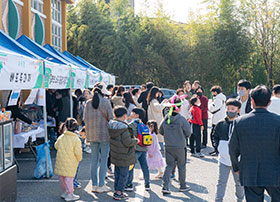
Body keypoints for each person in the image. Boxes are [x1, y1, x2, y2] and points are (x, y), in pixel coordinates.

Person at [229, 85, 280, 202]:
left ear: (251, 101)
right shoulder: (278, 121)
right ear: (269, 102)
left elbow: (232, 148)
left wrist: (236, 166)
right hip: (275, 171)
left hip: (250, 171)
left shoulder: (239, 122)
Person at [83, 83, 114, 193]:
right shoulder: (106, 102)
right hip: (104, 134)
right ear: (103, 92)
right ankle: (101, 185)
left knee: (94, 160)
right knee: (104, 160)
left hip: (91, 134)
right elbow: (111, 118)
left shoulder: (87, 103)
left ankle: (94, 185)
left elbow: (84, 118)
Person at [213, 99, 244, 202]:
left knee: (239, 183)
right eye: (228, 108)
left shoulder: (241, 124)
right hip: (223, 159)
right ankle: (218, 199)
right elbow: (214, 136)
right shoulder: (220, 124)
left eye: (233, 109)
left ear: (238, 110)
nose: (230, 111)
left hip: (238, 160)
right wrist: (218, 148)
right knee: (221, 182)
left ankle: (240, 199)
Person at [160, 98, 192, 194]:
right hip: (180, 146)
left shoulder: (166, 119)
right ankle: (182, 186)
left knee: (169, 166)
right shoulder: (181, 119)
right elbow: (188, 133)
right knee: (181, 166)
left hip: (168, 146)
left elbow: (161, 131)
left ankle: (165, 186)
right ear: (179, 107)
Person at [108, 107, 138, 200]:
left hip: (116, 154)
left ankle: (117, 190)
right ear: (124, 115)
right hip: (124, 155)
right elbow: (128, 142)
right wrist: (135, 140)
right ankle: (119, 192)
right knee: (124, 175)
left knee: (117, 173)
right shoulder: (124, 128)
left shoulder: (111, 125)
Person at [54, 118, 82, 201]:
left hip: (60, 160)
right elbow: (78, 152)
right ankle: (70, 194)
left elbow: (56, 146)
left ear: (65, 126)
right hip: (71, 162)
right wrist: (79, 159)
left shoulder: (62, 137)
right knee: (69, 178)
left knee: (62, 177)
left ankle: (65, 192)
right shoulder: (76, 139)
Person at [125, 108, 151, 192]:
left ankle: (129, 184)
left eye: (133, 112)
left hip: (136, 148)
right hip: (144, 148)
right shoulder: (143, 124)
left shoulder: (132, 124)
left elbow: (127, 134)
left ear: (137, 115)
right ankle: (147, 184)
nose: (131, 113)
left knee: (131, 166)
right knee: (144, 166)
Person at [147, 86, 167, 151]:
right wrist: (164, 103)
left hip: (153, 118)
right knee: (159, 134)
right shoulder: (154, 100)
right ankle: (162, 148)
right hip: (157, 119)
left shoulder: (151, 100)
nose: (158, 94)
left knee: (155, 134)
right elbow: (158, 108)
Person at [208, 86, 226, 156]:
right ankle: (217, 150)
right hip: (220, 118)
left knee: (214, 135)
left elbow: (212, 108)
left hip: (217, 119)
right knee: (217, 135)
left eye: (212, 92)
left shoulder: (218, 99)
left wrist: (209, 105)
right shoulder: (222, 98)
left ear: (215, 92)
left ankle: (217, 150)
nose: (212, 93)